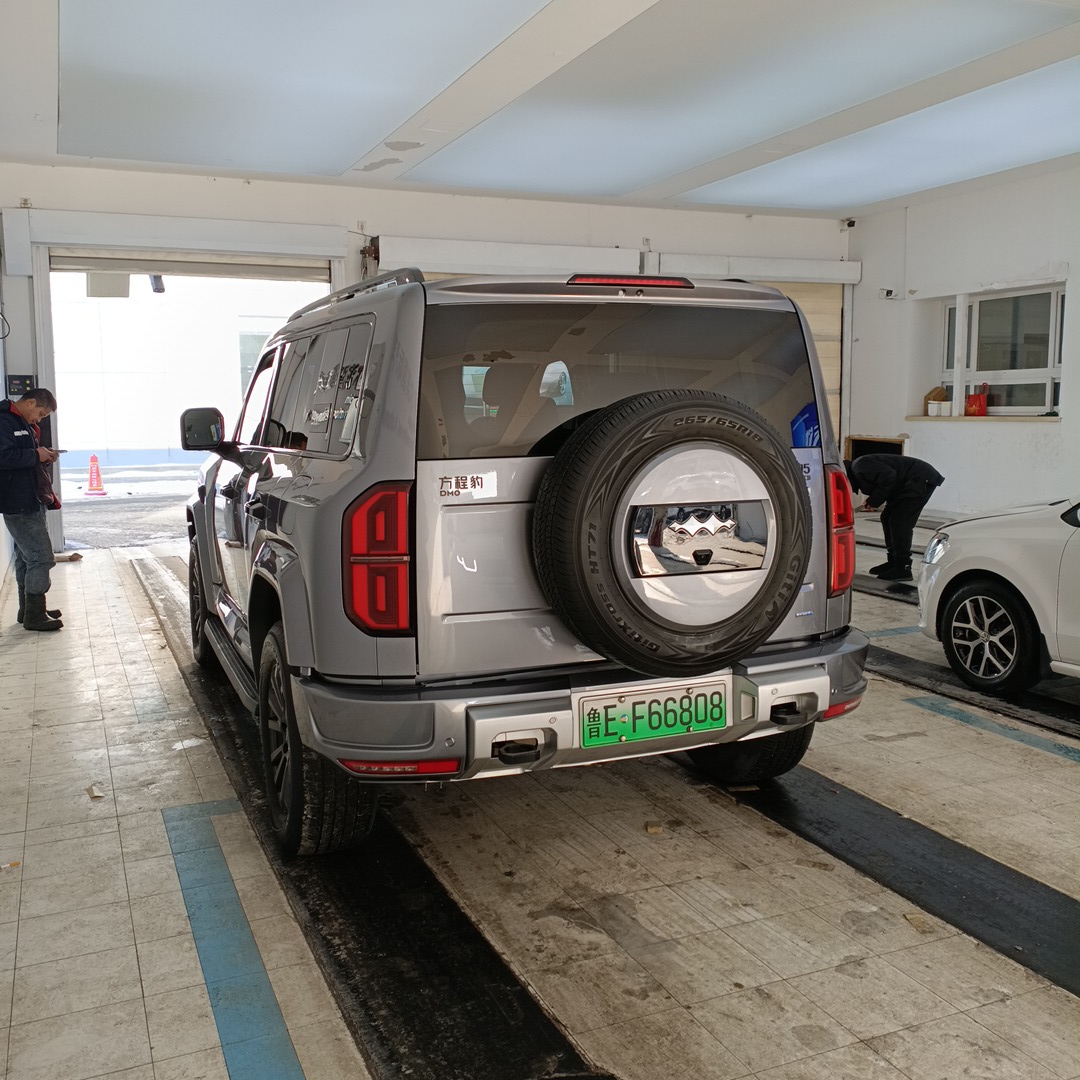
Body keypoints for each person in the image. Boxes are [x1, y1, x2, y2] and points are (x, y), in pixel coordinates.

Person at [1, 387, 64, 631]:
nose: (39, 419)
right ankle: (35, 616)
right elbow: (4, 458)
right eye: (41, 413)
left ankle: (27, 609)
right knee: (42, 558)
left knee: (26, 558)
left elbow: (23, 456)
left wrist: (43, 455)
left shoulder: (22, 422)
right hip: (19, 503)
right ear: (30, 402)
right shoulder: (4, 421)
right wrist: (36, 455)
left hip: (30, 499)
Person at [844, 453, 944, 582]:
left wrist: (874, 500)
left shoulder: (860, 467)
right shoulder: (858, 467)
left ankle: (903, 567)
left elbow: (889, 477)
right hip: (908, 482)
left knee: (899, 522)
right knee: (887, 517)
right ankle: (893, 562)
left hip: (919, 479)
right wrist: (873, 500)